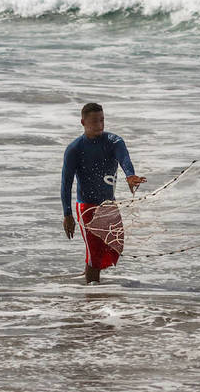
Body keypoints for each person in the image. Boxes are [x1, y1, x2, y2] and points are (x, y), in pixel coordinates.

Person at [61, 103, 146, 284]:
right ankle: (92, 301)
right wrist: (67, 214)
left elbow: (124, 159)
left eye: (102, 120)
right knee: (95, 254)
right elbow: (66, 183)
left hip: (109, 206)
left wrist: (130, 175)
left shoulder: (114, 141)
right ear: (83, 122)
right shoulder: (74, 149)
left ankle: (89, 289)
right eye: (94, 121)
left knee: (114, 246)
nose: (99, 125)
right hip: (87, 208)